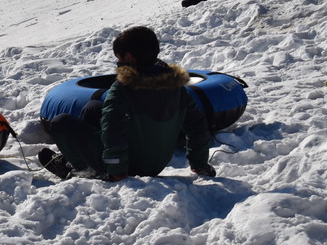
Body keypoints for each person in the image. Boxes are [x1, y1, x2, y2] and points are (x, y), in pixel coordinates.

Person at [39, 26, 215, 181]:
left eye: (119, 58)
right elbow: (196, 126)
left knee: (60, 123)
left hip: (130, 166)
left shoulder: (124, 88)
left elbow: (113, 128)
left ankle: (84, 169)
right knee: (93, 108)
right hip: (156, 162)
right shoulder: (175, 85)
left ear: (129, 57)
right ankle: (89, 158)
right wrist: (200, 164)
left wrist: (116, 170)